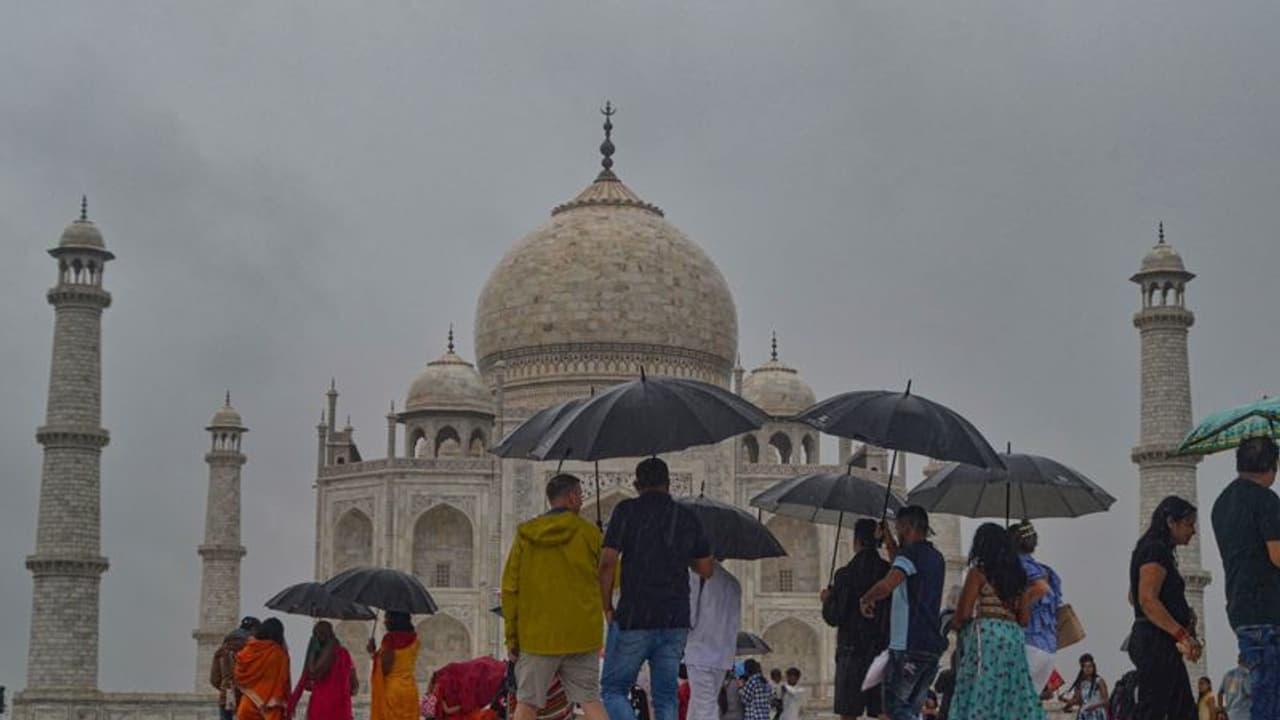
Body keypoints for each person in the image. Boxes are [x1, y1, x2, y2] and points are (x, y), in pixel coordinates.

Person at [599, 458, 714, 720]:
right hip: (674, 619)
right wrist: (680, 555)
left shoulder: (627, 510)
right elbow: (706, 569)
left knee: (614, 689)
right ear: (669, 484)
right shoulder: (686, 516)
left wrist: (606, 606)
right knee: (665, 697)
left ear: (637, 485)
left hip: (635, 616)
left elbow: (607, 563)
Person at [503, 474, 608, 720]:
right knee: (591, 701)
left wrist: (512, 638)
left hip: (539, 636)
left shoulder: (526, 535)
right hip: (582, 635)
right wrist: (603, 543)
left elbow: (510, 589)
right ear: (572, 497)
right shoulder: (589, 534)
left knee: (527, 704)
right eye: (580, 495)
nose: (581, 500)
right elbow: (611, 577)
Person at [945, 523, 1044, 720]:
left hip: (987, 636)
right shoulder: (1019, 577)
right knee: (1012, 692)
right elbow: (1024, 619)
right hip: (1013, 637)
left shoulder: (979, 573)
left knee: (982, 690)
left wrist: (953, 624)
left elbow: (964, 613)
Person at [1211, 437, 1280, 720]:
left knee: (1263, 689)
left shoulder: (1222, 503)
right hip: (1269, 609)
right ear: (1272, 466)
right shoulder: (1266, 500)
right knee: (1270, 696)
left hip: (1241, 607)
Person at [857, 506, 947, 720]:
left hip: (908, 645)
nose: (897, 531)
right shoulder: (936, 557)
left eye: (898, 528)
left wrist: (866, 598)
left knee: (896, 708)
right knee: (911, 709)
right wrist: (887, 536)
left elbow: (889, 583)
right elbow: (900, 562)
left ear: (907, 527)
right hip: (930, 647)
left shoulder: (911, 554)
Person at [1129, 495, 1201, 720]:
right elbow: (1146, 600)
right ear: (1171, 522)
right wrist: (1181, 634)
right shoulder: (1155, 550)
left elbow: (1133, 596)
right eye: (1188, 524)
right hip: (1156, 642)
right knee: (1153, 710)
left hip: (1160, 642)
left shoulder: (1153, 549)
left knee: (1183, 710)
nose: (1193, 531)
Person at [821, 518, 892, 720]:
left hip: (851, 652)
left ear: (857, 541)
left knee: (849, 713)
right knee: (882, 711)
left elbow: (834, 617)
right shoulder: (888, 571)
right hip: (881, 649)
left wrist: (827, 600)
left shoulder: (845, 574)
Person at [683, 561, 741, 720]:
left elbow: (690, 617)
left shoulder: (697, 575)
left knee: (704, 707)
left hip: (700, 651)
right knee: (698, 704)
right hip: (722, 656)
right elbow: (735, 623)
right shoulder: (733, 583)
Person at [1009, 520, 1062, 695]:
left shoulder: (1019, 567)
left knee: (1015, 704)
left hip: (1028, 644)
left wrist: (1021, 603)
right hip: (1048, 648)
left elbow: (1041, 588)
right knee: (1027, 706)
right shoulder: (1046, 570)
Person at [288, 621, 358, 720]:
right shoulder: (344, 654)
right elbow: (354, 687)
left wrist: (291, 707)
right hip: (341, 710)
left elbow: (303, 683)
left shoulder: (314, 658)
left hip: (319, 710)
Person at [234, 618, 292, 720]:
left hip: (248, 706)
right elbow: (283, 683)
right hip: (271, 710)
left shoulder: (248, 651)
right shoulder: (279, 654)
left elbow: (238, 677)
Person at [368, 611, 421, 720]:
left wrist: (373, 653)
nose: (385, 622)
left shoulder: (391, 639)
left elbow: (386, 668)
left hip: (393, 690)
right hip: (410, 689)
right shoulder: (415, 639)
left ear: (394, 621)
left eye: (387, 618)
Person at [212, 630, 249, 720]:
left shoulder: (220, 652)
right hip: (245, 697)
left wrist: (225, 687)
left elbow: (214, 679)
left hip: (226, 697)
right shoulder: (248, 650)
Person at [1061, 654, 1108, 720]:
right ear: (1082, 668)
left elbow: (1106, 701)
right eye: (1085, 666)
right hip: (1084, 714)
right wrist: (1067, 704)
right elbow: (1079, 700)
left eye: (1090, 666)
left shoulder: (1099, 681)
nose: (1087, 669)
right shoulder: (1081, 683)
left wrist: (1094, 706)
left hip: (1097, 714)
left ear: (1094, 667)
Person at [1219, 655, 1252, 720]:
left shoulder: (1228, 674)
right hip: (1243, 715)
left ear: (1238, 661)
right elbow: (1251, 692)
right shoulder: (1246, 675)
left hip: (1230, 715)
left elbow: (1220, 693)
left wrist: (1222, 710)